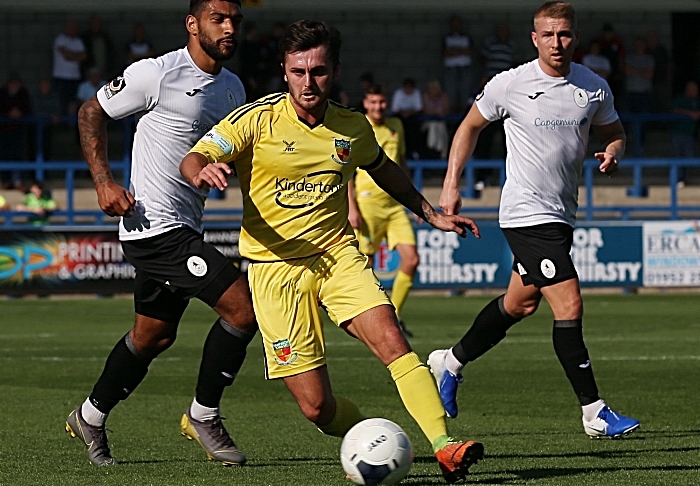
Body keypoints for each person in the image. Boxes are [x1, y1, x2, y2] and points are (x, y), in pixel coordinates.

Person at [181, 20, 484, 483]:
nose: (308, 82)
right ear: (285, 71)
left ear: (334, 71)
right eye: (298, 71)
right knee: (317, 407)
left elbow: (384, 170)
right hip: (273, 269)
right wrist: (202, 170)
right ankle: (366, 439)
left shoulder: (352, 127)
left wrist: (429, 212)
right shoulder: (255, 120)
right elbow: (195, 156)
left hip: (337, 255)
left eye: (318, 71)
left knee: (393, 341)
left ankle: (445, 446)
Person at [428, 1, 640, 439]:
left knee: (519, 304)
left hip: (562, 213)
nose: (556, 42)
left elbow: (614, 132)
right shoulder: (510, 84)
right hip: (526, 212)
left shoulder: (593, 87)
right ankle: (594, 412)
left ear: (574, 37)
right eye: (548, 34)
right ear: (534, 38)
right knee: (570, 304)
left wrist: (614, 153)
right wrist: (451, 185)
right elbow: (468, 127)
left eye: (564, 34)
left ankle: (449, 362)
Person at [66, 0, 255, 468]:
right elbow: (91, 112)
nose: (229, 28)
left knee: (153, 336)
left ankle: (89, 415)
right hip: (152, 226)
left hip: (186, 225)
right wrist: (103, 182)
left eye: (235, 20)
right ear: (193, 24)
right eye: (219, 19)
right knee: (244, 308)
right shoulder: (156, 73)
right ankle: (204, 414)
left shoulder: (233, 88)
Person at [348, 84, 420, 338]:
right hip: (368, 205)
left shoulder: (395, 126)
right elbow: (346, 170)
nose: (378, 107)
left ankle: (395, 317)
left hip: (394, 205)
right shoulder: (357, 126)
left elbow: (401, 163)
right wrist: (351, 207)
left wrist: (415, 202)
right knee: (363, 266)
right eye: (373, 102)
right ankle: (363, 319)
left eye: (381, 102)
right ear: (365, 104)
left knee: (411, 259)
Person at [0, 74, 31, 189]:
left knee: (17, 155)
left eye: (17, 83)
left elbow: (28, 109)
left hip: (18, 130)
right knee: (4, 155)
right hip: (3, 131)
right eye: (12, 83)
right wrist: (8, 114)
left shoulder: (23, 94)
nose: (15, 86)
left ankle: (17, 181)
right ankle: (6, 181)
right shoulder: (2, 93)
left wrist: (20, 113)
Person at [52, 20, 86, 114]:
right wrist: (75, 55)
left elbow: (83, 56)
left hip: (75, 76)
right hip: (61, 76)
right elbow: (67, 55)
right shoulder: (60, 39)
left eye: (74, 28)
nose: (73, 30)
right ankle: (59, 125)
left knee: (73, 102)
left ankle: (70, 126)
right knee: (60, 101)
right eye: (70, 27)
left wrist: (72, 55)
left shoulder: (78, 40)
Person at [442, 14, 474, 114]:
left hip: (465, 68)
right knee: (451, 92)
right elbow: (445, 53)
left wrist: (455, 50)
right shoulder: (447, 37)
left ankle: (464, 114)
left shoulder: (466, 37)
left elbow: (470, 51)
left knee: (465, 91)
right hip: (451, 69)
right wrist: (460, 51)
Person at [391, 78, 423, 159]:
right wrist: (404, 113)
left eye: (410, 88)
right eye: (406, 87)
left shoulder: (416, 93)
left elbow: (419, 108)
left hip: (412, 120)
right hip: (400, 118)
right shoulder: (398, 94)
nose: (408, 90)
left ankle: (414, 152)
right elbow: (394, 109)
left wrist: (409, 113)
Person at [624, 36, 655, 113]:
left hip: (645, 93)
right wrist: (643, 71)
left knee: (645, 116)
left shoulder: (649, 58)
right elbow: (628, 71)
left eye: (641, 44)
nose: (639, 46)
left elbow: (650, 75)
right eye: (637, 44)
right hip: (632, 92)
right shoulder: (629, 57)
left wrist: (634, 70)